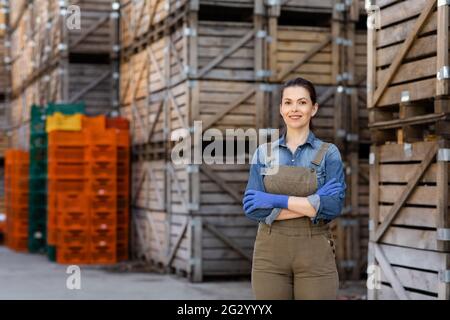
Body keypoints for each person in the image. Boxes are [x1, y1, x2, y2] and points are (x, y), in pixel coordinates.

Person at [243, 77, 346, 300]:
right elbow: (253, 208)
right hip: (269, 256)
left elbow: (332, 207)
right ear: (281, 109)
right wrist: (312, 202)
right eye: (288, 103)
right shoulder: (264, 153)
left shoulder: (329, 153)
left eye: (302, 102)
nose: (294, 109)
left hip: (315, 254)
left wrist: (274, 200)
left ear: (314, 108)